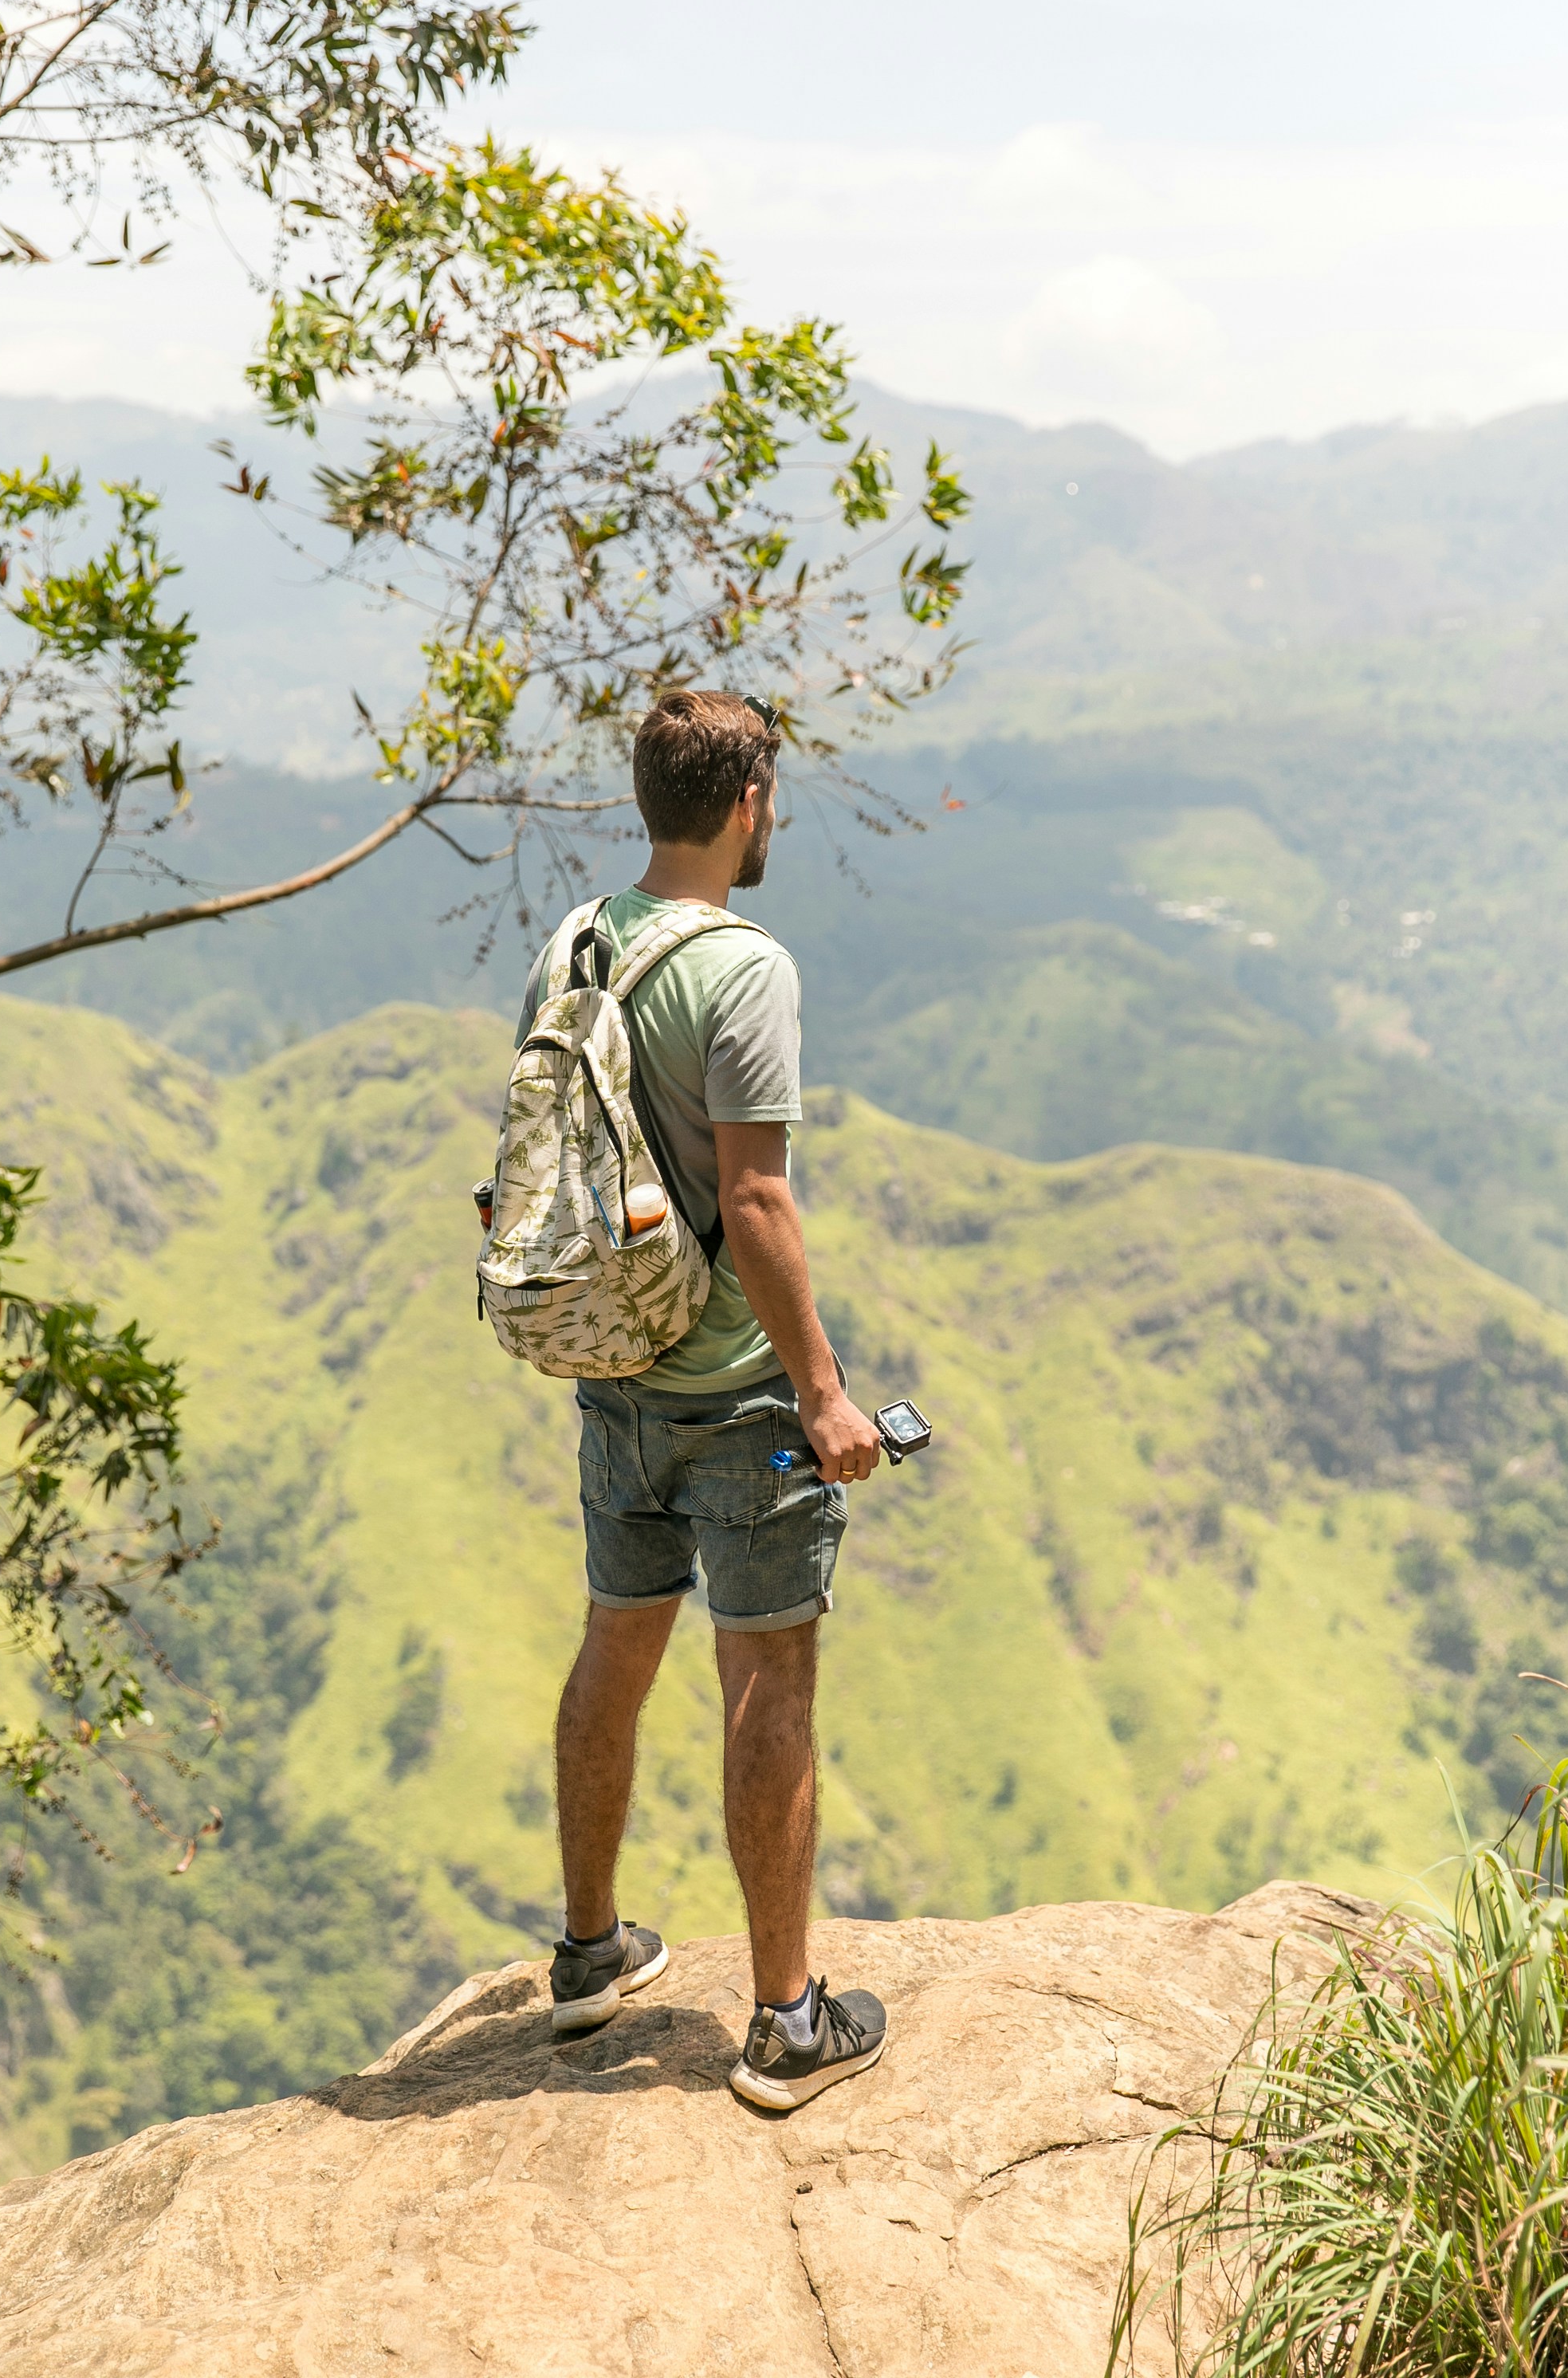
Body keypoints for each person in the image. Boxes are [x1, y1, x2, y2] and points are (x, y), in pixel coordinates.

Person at [515, 688, 890, 2112]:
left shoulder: (578, 939)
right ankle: (789, 2023)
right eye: (773, 798)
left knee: (618, 1642)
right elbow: (756, 1195)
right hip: (736, 1395)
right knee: (767, 1678)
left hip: (615, 1377)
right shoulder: (747, 968)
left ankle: (592, 1951)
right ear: (748, 803)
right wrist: (826, 1392)